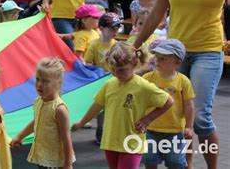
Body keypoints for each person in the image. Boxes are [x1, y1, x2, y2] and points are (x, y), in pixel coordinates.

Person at [133, 0, 230, 169]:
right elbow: (157, 13)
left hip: (207, 51)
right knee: (175, 114)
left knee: (200, 118)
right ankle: (186, 166)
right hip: (174, 53)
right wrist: (136, 43)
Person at [73, 41, 173, 169]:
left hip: (132, 142)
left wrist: (148, 119)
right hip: (111, 141)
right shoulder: (109, 84)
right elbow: (97, 105)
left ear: (134, 64)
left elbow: (168, 101)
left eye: (121, 70)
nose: (116, 74)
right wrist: (82, 122)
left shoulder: (143, 86)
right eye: (113, 70)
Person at [10, 58, 74, 168]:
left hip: (55, 161)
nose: (39, 84)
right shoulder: (38, 101)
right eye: (38, 79)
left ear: (58, 82)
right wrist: (20, 136)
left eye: (45, 81)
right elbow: (37, 121)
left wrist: (68, 165)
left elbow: (66, 139)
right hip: (42, 157)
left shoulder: (59, 109)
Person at [142, 39, 195, 169]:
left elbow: (189, 105)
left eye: (162, 59)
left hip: (175, 130)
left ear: (177, 63)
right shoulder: (148, 78)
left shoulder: (183, 81)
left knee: (176, 162)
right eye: (156, 57)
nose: (156, 61)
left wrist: (189, 126)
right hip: (151, 128)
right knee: (149, 159)